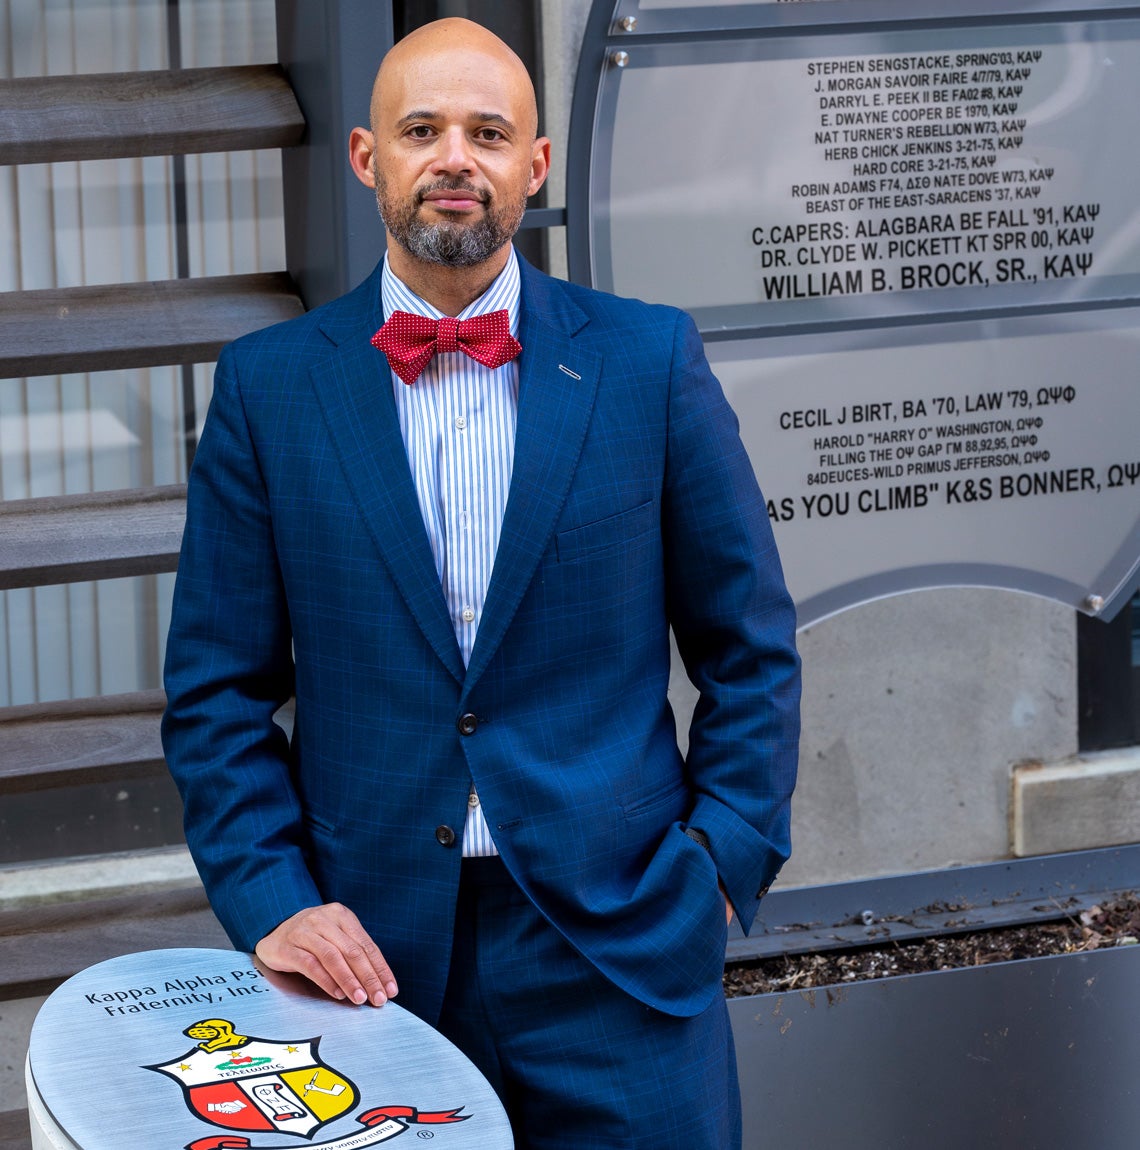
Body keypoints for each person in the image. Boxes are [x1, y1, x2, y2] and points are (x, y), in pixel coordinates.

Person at [162, 17, 799, 1149]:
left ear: (534, 167)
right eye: (423, 129)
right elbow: (216, 697)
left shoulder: (648, 362)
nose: (455, 157)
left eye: (488, 132)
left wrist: (714, 876)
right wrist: (275, 901)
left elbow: (748, 648)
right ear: (368, 158)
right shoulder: (267, 389)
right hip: (368, 972)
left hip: (623, 954)